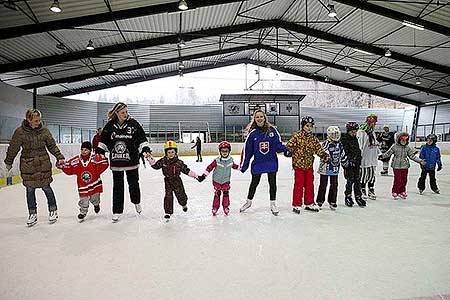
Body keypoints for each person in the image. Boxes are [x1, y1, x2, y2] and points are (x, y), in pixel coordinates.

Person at [4, 108, 65, 227]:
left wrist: (59, 157)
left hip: (43, 162)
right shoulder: (20, 132)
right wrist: (9, 161)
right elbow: (13, 148)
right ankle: (32, 213)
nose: (38, 123)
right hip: (28, 164)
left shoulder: (44, 131)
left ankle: (53, 210)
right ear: (29, 120)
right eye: (36, 121)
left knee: (46, 187)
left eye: (39, 120)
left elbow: (52, 146)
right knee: (30, 190)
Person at [96, 102, 151, 222]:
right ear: (116, 113)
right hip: (116, 163)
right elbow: (103, 142)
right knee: (118, 187)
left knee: (134, 184)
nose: (125, 114)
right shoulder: (109, 126)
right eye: (123, 112)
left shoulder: (134, 124)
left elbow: (142, 139)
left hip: (132, 161)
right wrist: (99, 152)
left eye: (126, 111)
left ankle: (136, 202)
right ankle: (117, 211)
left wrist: (145, 150)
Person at [239, 110, 289, 216]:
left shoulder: (272, 131)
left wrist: (286, 149)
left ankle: (273, 204)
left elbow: (277, 145)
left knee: (272, 183)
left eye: (261, 116)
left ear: (265, 118)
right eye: (257, 117)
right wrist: (244, 166)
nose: (259, 118)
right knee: (254, 183)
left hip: (271, 161)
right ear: (254, 119)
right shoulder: (252, 134)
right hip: (258, 163)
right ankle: (248, 202)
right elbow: (248, 151)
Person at [147, 140, 200, 221]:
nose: (171, 154)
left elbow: (186, 171)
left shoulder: (179, 163)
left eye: (172, 152)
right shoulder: (163, 161)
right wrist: (150, 158)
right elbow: (155, 166)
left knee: (180, 194)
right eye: (169, 152)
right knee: (168, 196)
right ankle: (168, 212)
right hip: (168, 181)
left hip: (177, 180)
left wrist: (196, 176)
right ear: (166, 153)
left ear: (175, 152)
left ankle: (183, 204)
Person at [286, 116, 329, 214]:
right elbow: (289, 146)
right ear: (302, 126)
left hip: (309, 165)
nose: (309, 128)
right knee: (299, 185)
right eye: (307, 126)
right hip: (298, 166)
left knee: (310, 184)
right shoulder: (297, 137)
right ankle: (297, 204)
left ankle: (309, 202)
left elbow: (318, 149)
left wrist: (324, 155)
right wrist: (288, 152)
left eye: (310, 126)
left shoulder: (313, 139)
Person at [58, 141, 109, 222]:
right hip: (82, 185)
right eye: (82, 149)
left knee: (94, 198)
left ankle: (96, 204)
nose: (83, 151)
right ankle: (83, 212)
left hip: (94, 183)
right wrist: (61, 165)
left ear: (90, 150)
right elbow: (69, 166)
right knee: (83, 199)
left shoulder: (94, 158)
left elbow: (104, 163)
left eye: (86, 150)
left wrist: (101, 159)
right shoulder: (77, 160)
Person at [197, 141, 239, 216]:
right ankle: (215, 207)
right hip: (217, 181)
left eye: (226, 151)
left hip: (226, 180)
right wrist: (204, 175)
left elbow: (234, 166)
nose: (224, 153)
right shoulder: (217, 160)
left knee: (226, 193)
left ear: (229, 151)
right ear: (220, 151)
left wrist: (241, 168)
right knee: (217, 193)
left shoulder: (230, 160)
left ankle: (226, 207)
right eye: (223, 151)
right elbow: (209, 167)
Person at [379, 132, 425, 200]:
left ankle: (402, 191)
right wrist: (381, 156)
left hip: (405, 166)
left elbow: (412, 156)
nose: (404, 141)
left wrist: (420, 161)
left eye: (405, 140)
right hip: (396, 166)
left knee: (404, 180)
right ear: (398, 140)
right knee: (397, 180)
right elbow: (388, 153)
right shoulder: (394, 146)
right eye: (402, 140)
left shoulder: (407, 148)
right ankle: (395, 191)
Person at [316, 126, 348, 210]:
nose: (335, 136)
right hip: (325, 168)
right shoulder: (326, 143)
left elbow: (342, 154)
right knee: (323, 185)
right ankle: (320, 201)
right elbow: (321, 152)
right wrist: (325, 158)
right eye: (333, 134)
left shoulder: (340, 144)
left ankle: (332, 201)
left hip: (335, 168)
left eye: (337, 134)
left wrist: (345, 164)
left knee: (334, 185)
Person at [341, 122, 366, 207]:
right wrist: (348, 162)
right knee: (350, 180)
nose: (354, 133)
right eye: (352, 131)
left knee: (357, 180)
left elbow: (358, 150)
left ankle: (358, 196)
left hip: (356, 164)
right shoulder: (344, 139)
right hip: (349, 164)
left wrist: (358, 159)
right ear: (348, 131)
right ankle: (348, 196)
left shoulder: (355, 138)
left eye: (355, 131)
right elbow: (344, 152)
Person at [357, 113, 379, 200]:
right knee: (364, 175)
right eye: (372, 122)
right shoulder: (362, 132)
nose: (374, 124)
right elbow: (360, 145)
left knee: (372, 175)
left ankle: (371, 189)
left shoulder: (372, 132)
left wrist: (379, 153)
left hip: (372, 158)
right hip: (365, 158)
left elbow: (375, 144)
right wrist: (359, 156)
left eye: (375, 122)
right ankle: (362, 189)